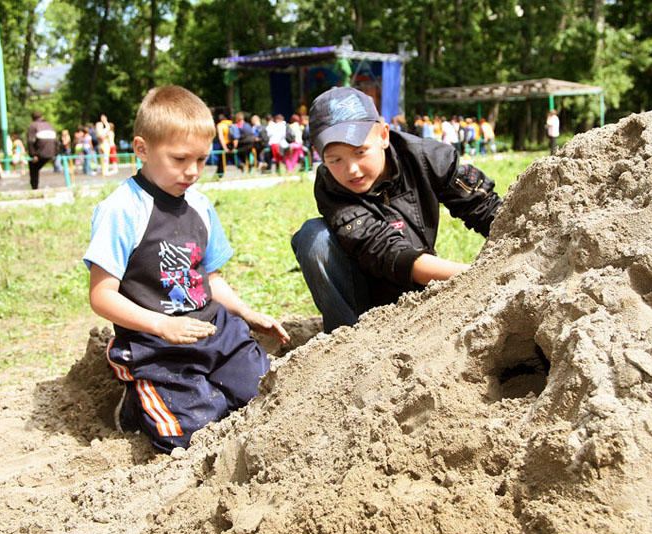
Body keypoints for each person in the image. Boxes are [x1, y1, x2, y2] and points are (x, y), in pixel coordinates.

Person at [83, 85, 289, 453]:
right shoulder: (123, 209)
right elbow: (101, 296)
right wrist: (162, 324)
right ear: (142, 149)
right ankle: (137, 405)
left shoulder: (200, 205)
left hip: (212, 331)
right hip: (155, 344)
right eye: (179, 160)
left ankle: (208, 387)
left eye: (201, 159)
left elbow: (210, 279)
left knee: (269, 394)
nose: (192, 171)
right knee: (194, 436)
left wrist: (246, 313)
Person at [291, 87, 503, 333]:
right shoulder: (330, 187)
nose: (352, 170)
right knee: (314, 237)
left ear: (383, 136)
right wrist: (479, 277)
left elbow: (487, 209)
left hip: (421, 288)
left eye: (360, 152)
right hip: (365, 294)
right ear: (320, 156)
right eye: (335, 160)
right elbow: (384, 249)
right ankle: (349, 339)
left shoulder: (426, 157)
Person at [26, 110, 59, 190]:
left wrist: (33, 155)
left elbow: (30, 141)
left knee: (33, 167)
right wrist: (55, 154)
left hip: (40, 153)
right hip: (52, 152)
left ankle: (34, 187)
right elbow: (57, 141)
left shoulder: (32, 126)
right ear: (42, 117)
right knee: (37, 167)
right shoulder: (49, 125)